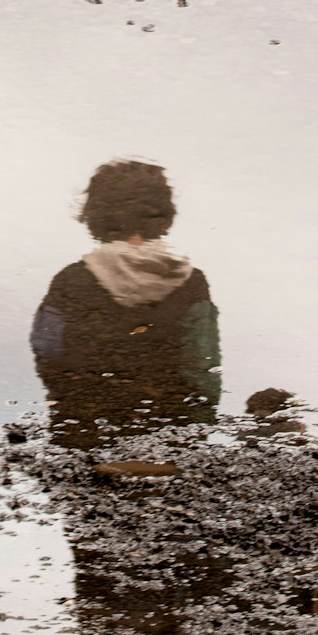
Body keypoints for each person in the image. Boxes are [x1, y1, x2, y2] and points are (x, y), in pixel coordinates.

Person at [31, 160, 221, 449]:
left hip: (84, 443)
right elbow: (204, 368)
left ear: (96, 213)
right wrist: (194, 439)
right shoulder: (192, 283)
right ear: (163, 213)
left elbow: (48, 354)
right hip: (168, 446)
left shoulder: (71, 280)